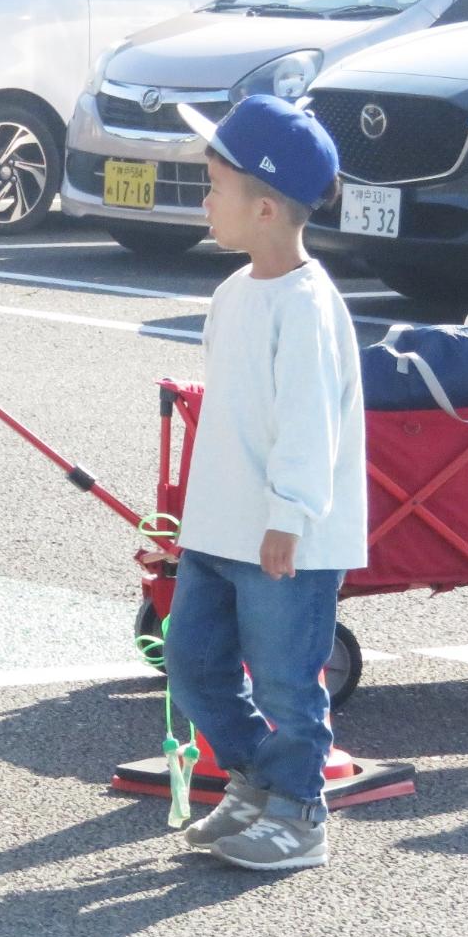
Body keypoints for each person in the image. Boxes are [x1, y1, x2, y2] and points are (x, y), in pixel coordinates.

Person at [160, 95, 367, 871]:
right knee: (193, 662)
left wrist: (287, 516)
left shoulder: (308, 307)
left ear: (268, 207)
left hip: (287, 537)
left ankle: (299, 813)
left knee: (286, 679)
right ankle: (259, 780)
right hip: (220, 528)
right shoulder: (235, 290)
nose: (205, 199)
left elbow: (310, 427)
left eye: (216, 185)